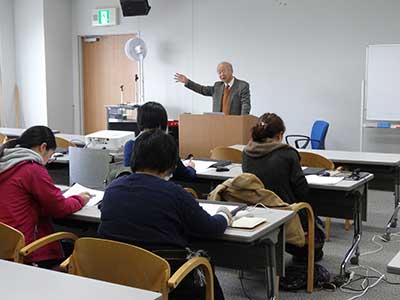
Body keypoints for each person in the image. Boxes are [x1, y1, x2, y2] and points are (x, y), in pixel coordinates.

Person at [99, 129, 232, 300]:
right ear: (170, 162)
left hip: (117, 278)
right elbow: (211, 228)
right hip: (165, 281)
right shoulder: (174, 194)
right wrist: (224, 215)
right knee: (205, 266)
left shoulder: (112, 189)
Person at [0, 126, 90, 267]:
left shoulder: (6, 162)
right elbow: (60, 208)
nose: (48, 161)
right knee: (74, 248)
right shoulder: (32, 169)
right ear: (43, 147)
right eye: (50, 156)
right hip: (23, 249)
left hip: (4, 245)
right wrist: (80, 199)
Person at [242, 113, 325, 261]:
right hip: (287, 215)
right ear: (280, 135)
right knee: (316, 233)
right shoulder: (288, 154)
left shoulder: (247, 152)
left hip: (256, 214)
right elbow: (302, 191)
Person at [123, 101, 196, 180]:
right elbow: (185, 174)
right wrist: (191, 167)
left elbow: (129, 174)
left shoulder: (130, 145)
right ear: (161, 123)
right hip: (161, 189)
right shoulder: (165, 144)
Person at [175, 61, 251, 115]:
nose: (222, 74)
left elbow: (246, 105)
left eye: (224, 71)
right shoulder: (217, 86)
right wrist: (187, 82)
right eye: (219, 72)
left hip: (235, 125)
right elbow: (202, 89)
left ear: (231, 71)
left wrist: (242, 121)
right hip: (217, 124)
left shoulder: (242, 86)